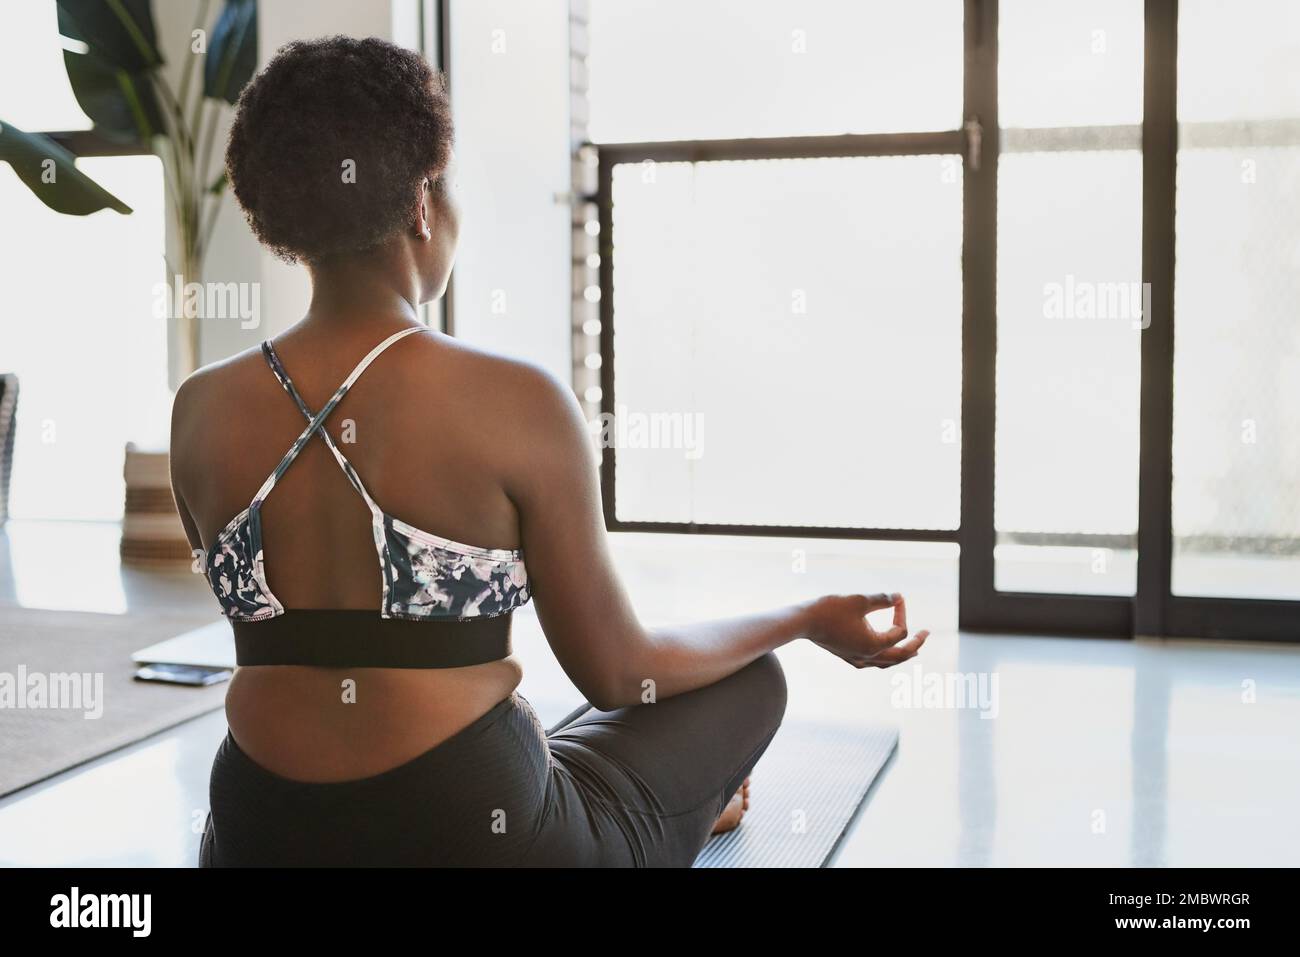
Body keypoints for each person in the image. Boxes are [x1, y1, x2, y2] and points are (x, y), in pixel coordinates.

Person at [169, 36, 929, 867]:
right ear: (424, 204)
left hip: (257, 831)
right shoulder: (516, 398)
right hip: (475, 830)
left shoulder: (199, 408)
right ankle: (680, 812)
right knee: (749, 677)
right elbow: (620, 672)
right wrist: (805, 617)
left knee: (555, 729)